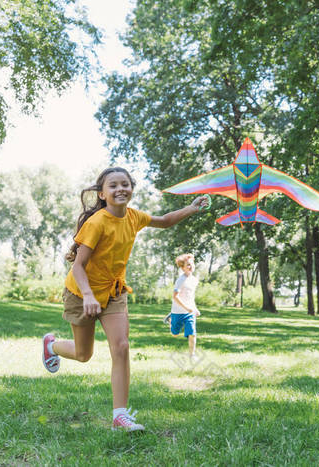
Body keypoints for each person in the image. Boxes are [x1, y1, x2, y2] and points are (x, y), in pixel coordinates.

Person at [41, 167, 208, 432]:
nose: (121, 189)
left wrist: (192, 207)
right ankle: (51, 345)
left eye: (125, 184)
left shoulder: (133, 217)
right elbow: (78, 267)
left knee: (121, 347)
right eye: (113, 185)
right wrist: (87, 296)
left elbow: (164, 220)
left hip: (114, 292)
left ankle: (120, 416)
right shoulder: (96, 223)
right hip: (80, 293)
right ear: (103, 193)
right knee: (84, 354)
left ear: (131, 189)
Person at [164, 253, 201, 359]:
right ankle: (170, 320)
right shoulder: (181, 280)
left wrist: (194, 309)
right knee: (175, 334)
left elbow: (191, 297)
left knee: (192, 332)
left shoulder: (194, 280)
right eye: (188, 265)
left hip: (189, 312)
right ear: (182, 268)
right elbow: (175, 297)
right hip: (177, 311)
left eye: (192, 264)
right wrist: (186, 308)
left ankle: (192, 355)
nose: (191, 266)